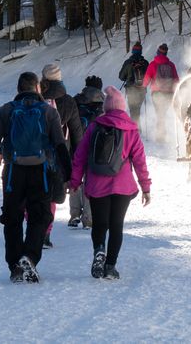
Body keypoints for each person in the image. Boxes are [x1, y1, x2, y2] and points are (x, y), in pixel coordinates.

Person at [0, 71, 71, 283]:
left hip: (13, 172)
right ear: (37, 88)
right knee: (40, 217)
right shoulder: (48, 112)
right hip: (41, 172)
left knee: (12, 218)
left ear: (18, 89)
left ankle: (14, 267)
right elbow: (60, 145)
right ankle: (29, 257)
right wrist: (69, 175)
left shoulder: (7, 111)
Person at [69, 87, 152, 280]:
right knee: (116, 225)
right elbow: (139, 160)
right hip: (123, 185)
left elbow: (80, 156)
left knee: (100, 223)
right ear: (123, 107)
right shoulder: (131, 129)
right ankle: (110, 266)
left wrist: (75, 181)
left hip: (97, 184)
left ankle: (99, 250)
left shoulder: (94, 126)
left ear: (106, 107)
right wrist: (145, 187)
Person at [39, 63, 80, 247]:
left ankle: (35, 228)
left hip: (35, 153)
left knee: (34, 192)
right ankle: (46, 233)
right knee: (51, 196)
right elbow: (77, 133)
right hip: (59, 155)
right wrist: (77, 162)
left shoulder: (36, 98)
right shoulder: (69, 101)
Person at [69, 75, 104, 229]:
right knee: (91, 182)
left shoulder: (75, 101)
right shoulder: (105, 104)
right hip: (95, 148)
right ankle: (88, 218)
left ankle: (74, 215)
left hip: (76, 146)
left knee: (75, 180)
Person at [143, 43, 179, 143]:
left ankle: (161, 137)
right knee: (163, 113)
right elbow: (176, 79)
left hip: (157, 93)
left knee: (160, 114)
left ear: (158, 52)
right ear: (166, 53)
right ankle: (163, 134)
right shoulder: (171, 65)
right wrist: (176, 91)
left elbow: (147, 78)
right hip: (169, 93)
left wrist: (143, 87)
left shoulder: (153, 64)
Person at [117, 41, 149, 122]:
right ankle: (137, 129)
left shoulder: (128, 62)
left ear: (133, 51)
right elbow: (148, 77)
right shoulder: (145, 63)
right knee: (137, 109)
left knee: (133, 110)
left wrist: (127, 78)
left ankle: (135, 130)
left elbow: (121, 76)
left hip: (131, 89)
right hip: (142, 90)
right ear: (141, 51)